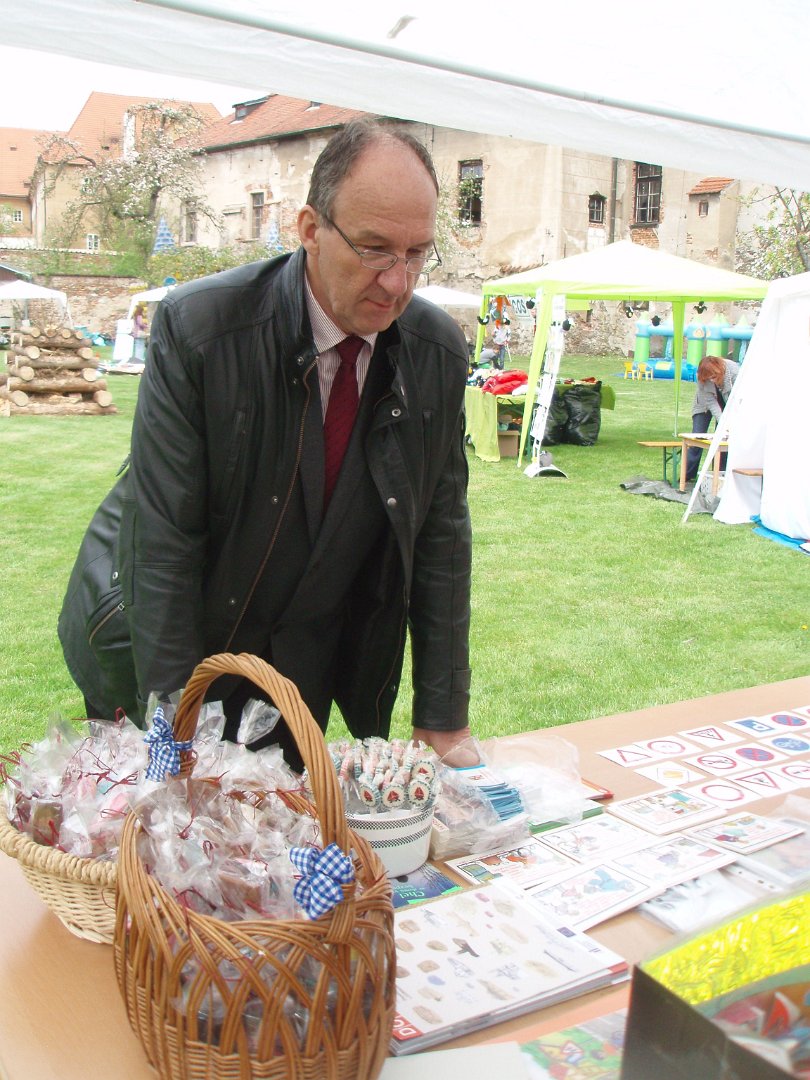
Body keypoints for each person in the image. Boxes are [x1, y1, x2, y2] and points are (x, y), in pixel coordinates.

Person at [58, 119, 475, 769]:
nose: (397, 283)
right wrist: (173, 729)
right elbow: (165, 541)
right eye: (373, 250)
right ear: (309, 229)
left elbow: (442, 534)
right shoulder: (200, 330)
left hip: (294, 674)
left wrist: (443, 719)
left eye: (417, 253)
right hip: (151, 645)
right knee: (162, 851)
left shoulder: (436, 353)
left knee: (269, 846)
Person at [684, 354, 740, 482]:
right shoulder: (701, 377)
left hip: (729, 402)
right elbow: (711, 403)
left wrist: (727, 425)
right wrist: (722, 420)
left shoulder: (733, 370)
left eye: (714, 377)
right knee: (697, 437)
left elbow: (737, 398)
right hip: (704, 404)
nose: (712, 381)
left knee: (722, 439)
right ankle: (687, 475)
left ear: (720, 370)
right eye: (709, 379)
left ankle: (719, 475)